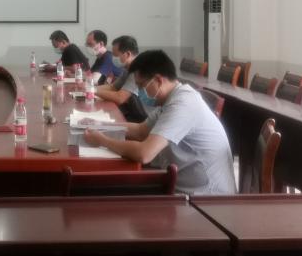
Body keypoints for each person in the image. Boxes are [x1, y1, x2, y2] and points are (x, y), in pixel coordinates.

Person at [84, 50, 236, 195]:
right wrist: (102, 126)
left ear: (158, 80)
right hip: (181, 185)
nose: (139, 92)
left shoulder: (183, 103)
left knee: (105, 191)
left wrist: (103, 140)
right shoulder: (171, 98)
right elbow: (141, 131)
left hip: (205, 197)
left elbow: (144, 153)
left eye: (141, 86)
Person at [96, 35, 153, 121]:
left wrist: (93, 91)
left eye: (115, 55)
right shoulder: (128, 69)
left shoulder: (138, 70)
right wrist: (89, 89)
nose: (113, 58)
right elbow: (113, 87)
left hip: (144, 119)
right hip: (132, 113)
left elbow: (120, 98)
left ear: (128, 54)